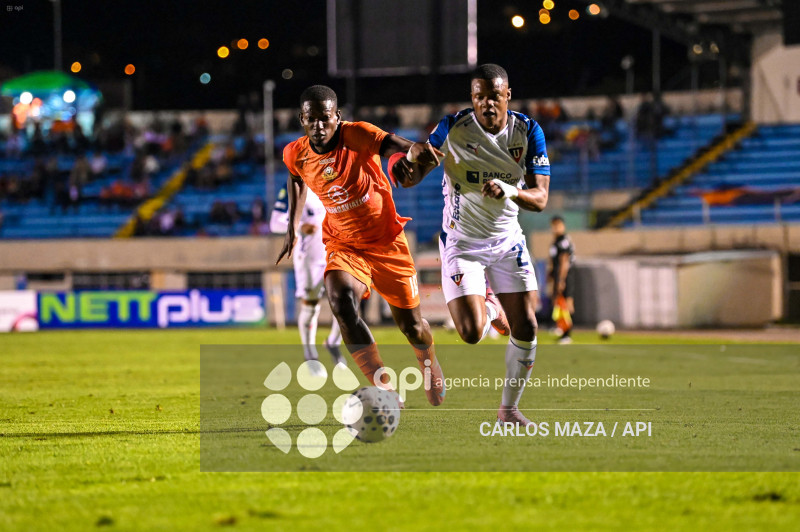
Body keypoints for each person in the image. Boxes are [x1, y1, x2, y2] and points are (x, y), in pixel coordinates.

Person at [391, 64, 551, 425]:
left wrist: (509, 189)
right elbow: (418, 170)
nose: (486, 104)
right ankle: (493, 310)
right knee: (471, 334)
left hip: (508, 240)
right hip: (462, 243)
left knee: (527, 325)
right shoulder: (453, 127)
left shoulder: (528, 131)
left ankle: (508, 410)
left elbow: (540, 198)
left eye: (494, 96)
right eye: (479, 96)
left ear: (507, 95)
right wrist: (405, 170)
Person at [277, 85, 446, 406]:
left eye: (325, 118)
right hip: (344, 244)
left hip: (387, 243)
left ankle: (429, 363)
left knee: (411, 327)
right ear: (302, 119)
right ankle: (384, 386)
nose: (319, 126)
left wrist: (414, 153)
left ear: (336, 117)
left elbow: (394, 145)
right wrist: (292, 226)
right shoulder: (294, 153)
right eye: (311, 119)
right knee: (339, 300)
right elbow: (295, 177)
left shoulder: (357, 135)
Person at [270, 183, 346, 371]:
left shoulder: (335, 182)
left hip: (337, 252)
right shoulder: (294, 186)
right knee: (311, 304)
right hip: (309, 257)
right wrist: (300, 225)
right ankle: (310, 354)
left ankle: (333, 343)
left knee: (345, 301)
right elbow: (275, 223)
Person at [548, 215, 575, 344]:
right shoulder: (556, 241)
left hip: (565, 276)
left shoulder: (564, 240)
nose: (555, 228)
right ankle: (561, 328)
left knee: (567, 303)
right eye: (553, 225)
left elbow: (564, 261)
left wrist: (561, 279)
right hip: (557, 276)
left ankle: (567, 333)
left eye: (557, 225)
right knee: (559, 303)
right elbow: (553, 261)